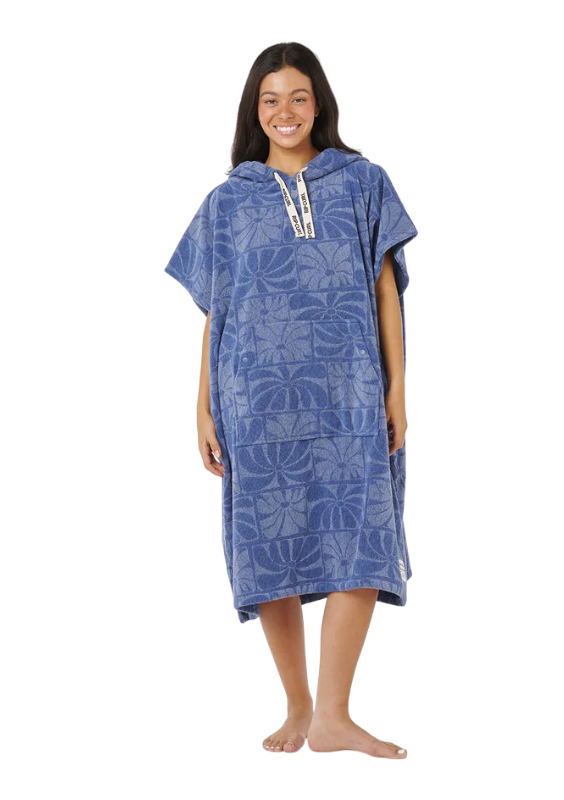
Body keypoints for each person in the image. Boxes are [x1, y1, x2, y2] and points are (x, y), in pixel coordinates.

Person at [164, 42, 417, 759]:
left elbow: (386, 290)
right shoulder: (227, 201)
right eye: (270, 99)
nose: (285, 111)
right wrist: (202, 405)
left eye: (298, 97)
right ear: (254, 111)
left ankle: (335, 713)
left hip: (349, 394)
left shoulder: (364, 182)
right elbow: (214, 311)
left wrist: (398, 390)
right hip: (255, 400)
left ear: (319, 105)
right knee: (268, 544)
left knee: (361, 536)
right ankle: (300, 709)